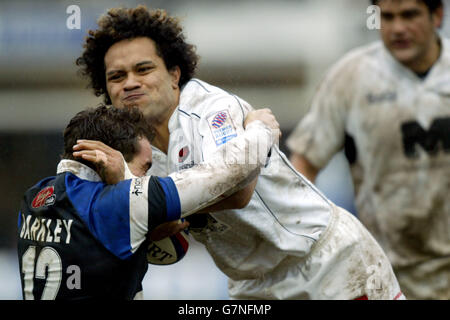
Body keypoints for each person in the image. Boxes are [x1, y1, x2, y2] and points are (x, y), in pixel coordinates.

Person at [76, 5, 404, 300]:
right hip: (252, 286)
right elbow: (162, 238)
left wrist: (155, 209)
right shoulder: (132, 150)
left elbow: (238, 188)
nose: (130, 83)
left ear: (175, 75)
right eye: (117, 76)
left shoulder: (211, 109)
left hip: (324, 265)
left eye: (143, 69)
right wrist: (150, 217)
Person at [17, 105, 279, 300]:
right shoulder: (117, 204)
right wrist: (260, 127)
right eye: (145, 167)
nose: (147, 176)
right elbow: (230, 173)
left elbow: (89, 244)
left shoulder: (33, 198)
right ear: (106, 158)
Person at [286, 0, 450, 300]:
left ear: (437, 15)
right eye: (387, 17)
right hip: (386, 276)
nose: (397, 28)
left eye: (410, 15)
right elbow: (304, 165)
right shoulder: (350, 78)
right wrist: (302, 240)